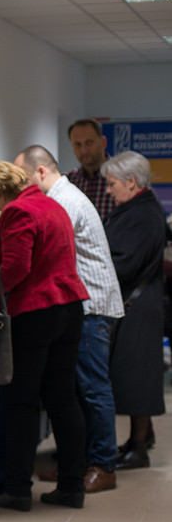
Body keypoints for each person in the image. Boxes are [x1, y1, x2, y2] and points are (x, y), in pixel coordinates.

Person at [0, 161, 89, 511]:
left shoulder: (18, 210)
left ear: (0, 192)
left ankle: (18, 489)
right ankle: (72, 487)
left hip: (36, 311)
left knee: (21, 403)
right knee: (63, 399)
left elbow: (16, 267)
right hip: (69, 308)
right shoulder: (53, 205)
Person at [14, 145, 124, 493]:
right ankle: (77, 465)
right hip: (84, 303)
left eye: (22, 177)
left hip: (91, 305)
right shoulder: (63, 196)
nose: (20, 185)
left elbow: (43, 253)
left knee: (92, 389)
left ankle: (103, 465)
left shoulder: (62, 201)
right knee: (75, 390)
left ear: (40, 171)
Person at [101, 150, 167, 470]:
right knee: (132, 375)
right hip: (138, 304)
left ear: (131, 182)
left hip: (138, 307)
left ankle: (138, 447)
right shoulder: (140, 209)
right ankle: (136, 441)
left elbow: (125, 263)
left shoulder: (141, 214)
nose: (108, 190)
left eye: (112, 184)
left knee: (137, 378)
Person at [67, 119, 115, 222]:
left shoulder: (123, 177)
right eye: (78, 144)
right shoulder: (68, 182)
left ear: (103, 142)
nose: (84, 150)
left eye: (89, 143)